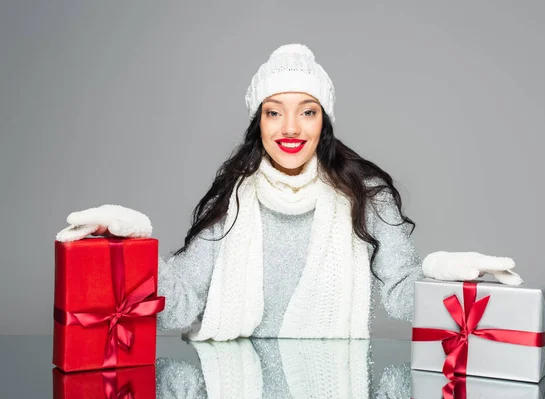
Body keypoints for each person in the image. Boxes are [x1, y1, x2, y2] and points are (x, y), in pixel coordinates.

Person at [56, 44, 521, 341]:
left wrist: (449, 278)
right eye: (275, 112)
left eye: (308, 111)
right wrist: (130, 244)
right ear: (259, 123)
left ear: (326, 121)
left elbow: (402, 294)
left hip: (338, 382)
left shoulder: (367, 195)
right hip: (237, 381)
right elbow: (181, 305)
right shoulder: (236, 198)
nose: (292, 128)